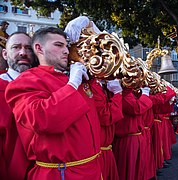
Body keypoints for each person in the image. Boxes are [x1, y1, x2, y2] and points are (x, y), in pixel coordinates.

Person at [5, 27, 102, 180]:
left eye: (66, 46)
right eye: (58, 45)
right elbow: (42, 119)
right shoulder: (26, 81)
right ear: (39, 48)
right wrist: (72, 85)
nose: (66, 51)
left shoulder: (73, 77)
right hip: (60, 173)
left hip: (92, 168)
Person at [0, 32, 36, 180]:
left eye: (28, 48)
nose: (23, 53)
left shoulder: (43, 85)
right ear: (5, 54)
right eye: (16, 47)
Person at [113, 86, 152, 180]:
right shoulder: (124, 94)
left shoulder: (128, 93)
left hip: (135, 137)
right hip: (128, 140)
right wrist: (145, 94)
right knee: (132, 171)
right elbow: (136, 108)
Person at [90, 78, 123, 180]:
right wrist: (118, 93)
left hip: (106, 148)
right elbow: (106, 116)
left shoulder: (101, 85)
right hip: (100, 150)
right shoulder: (93, 86)